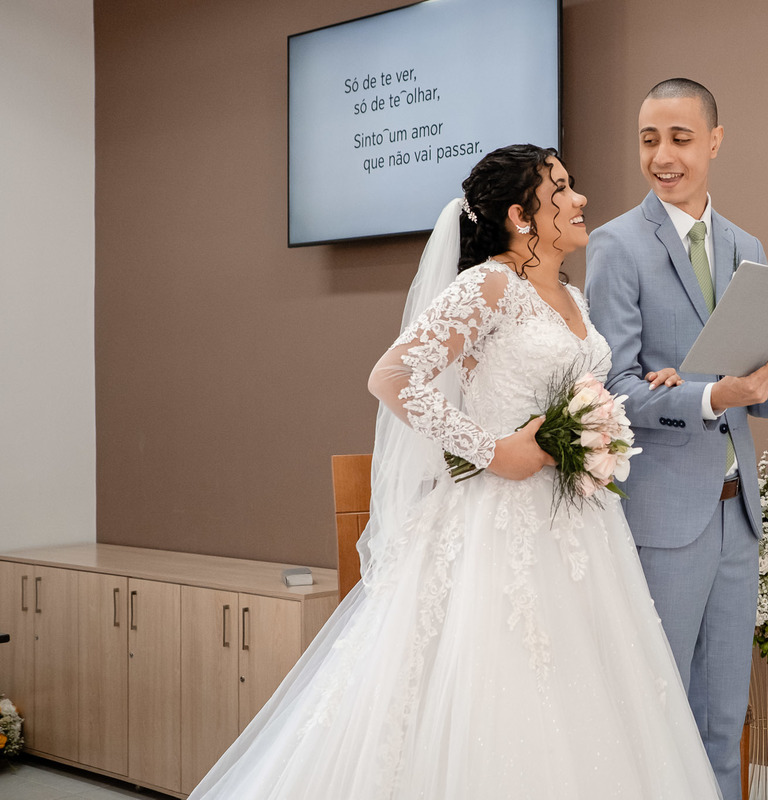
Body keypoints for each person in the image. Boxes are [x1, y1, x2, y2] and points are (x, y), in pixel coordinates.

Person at [188, 144, 720, 799]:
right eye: (563, 188)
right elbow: (391, 377)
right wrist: (494, 450)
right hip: (497, 528)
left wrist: (630, 394)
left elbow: (577, 389)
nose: (581, 199)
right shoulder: (490, 284)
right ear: (523, 216)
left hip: (580, 529)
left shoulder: (573, 296)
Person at [584, 79, 768, 800]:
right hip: (662, 517)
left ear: (714, 141)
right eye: (649, 139)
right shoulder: (616, 246)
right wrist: (716, 395)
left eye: (680, 139)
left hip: (735, 513)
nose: (663, 156)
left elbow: (752, 379)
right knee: (658, 717)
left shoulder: (747, 246)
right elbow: (615, 391)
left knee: (724, 719)